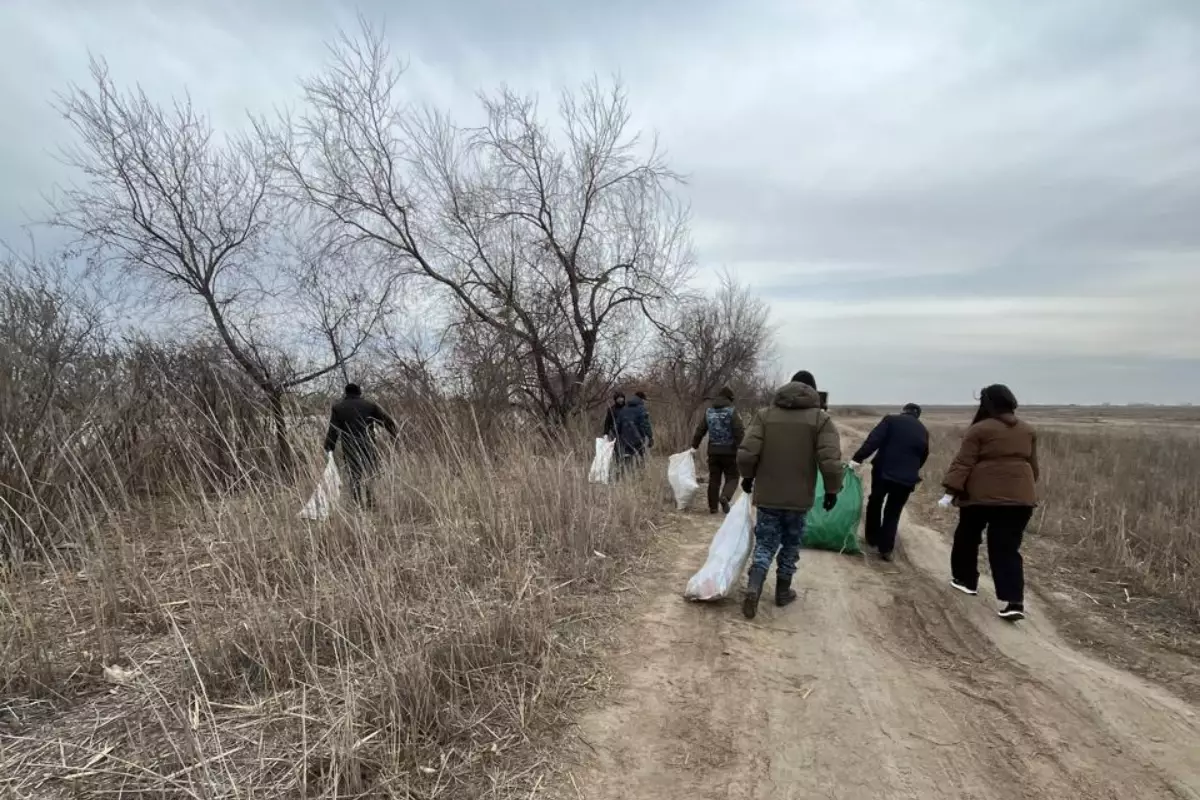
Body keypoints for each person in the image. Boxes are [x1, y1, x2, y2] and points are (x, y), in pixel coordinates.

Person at [737, 370, 843, 619]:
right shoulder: (821, 420)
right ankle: (783, 592)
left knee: (765, 542)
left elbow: (746, 453)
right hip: (798, 499)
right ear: (813, 392)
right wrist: (831, 490)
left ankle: (754, 586)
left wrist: (748, 477)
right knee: (791, 543)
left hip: (768, 494)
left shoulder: (764, 416)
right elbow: (830, 461)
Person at [940, 384, 1038, 621]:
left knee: (968, 536)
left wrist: (950, 491)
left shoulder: (979, 429)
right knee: (1007, 548)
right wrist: (1024, 488)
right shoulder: (1027, 430)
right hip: (1021, 498)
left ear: (987, 403)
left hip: (981, 497)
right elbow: (1033, 468)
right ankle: (1014, 601)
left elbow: (964, 462)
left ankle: (966, 580)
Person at [851, 403, 930, 562]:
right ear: (917, 415)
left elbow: (874, 440)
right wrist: (912, 470)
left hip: (883, 472)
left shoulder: (891, 420)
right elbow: (923, 455)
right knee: (893, 511)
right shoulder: (923, 430)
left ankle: (872, 538)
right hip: (907, 478)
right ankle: (886, 548)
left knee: (875, 501)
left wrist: (857, 458)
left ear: (904, 411)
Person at [323, 383, 398, 508]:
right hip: (368, 443)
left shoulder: (338, 408)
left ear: (346, 393)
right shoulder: (370, 406)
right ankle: (371, 501)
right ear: (359, 392)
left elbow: (333, 429)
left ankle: (357, 502)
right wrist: (394, 435)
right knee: (370, 471)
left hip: (349, 445)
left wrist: (329, 446)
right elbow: (387, 421)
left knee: (354, 474)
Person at [691, 386, 745, 514]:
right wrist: (742, 448)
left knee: (714, 478)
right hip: (730, 452)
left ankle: (713, 507)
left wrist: (694, 446)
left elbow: (700, 430)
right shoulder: (732, 412)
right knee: (732, 477)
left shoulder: (709, 412)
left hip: (713, 451)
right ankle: (725, 497)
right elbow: (739, 432)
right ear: (730, 399)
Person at [612, 390, 653, 475]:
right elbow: (646, 425)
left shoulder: (624, 409)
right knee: (640, 457)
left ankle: (626, 476)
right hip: (638, 438)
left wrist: (618, 436)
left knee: (627, 458)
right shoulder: (642, 409)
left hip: (625, 439)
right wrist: (650, 437)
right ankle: (641, 475)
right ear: (642, 399)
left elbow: (617, 426)